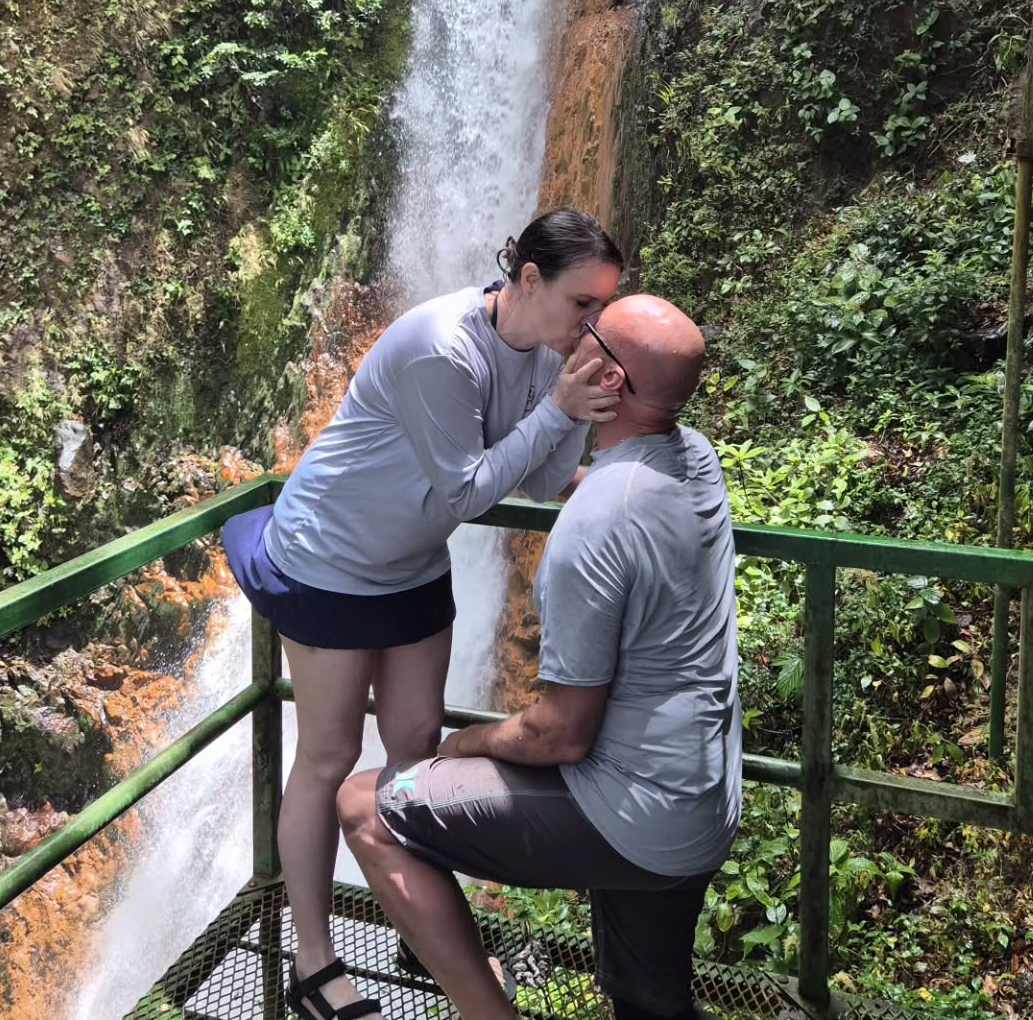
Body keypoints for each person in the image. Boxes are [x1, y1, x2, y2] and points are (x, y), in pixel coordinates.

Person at [221, 209, 624, 1020]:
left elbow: (543, 485)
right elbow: (469, 490)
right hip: (330, 559)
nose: (595, 326)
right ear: (530, 279)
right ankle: (312, 961)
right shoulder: (444, 348)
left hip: (409, 567)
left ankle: (418, 922)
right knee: (329, 755)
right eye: (585, 304)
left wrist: (572, 409)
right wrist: (558, 410)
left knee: (414, 749)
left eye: (605, 309)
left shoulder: (543, 355)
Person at [335, 294, 739, 1020]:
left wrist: (458, 746)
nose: (568, 338)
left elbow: (559, 733)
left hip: (627, 810)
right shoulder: (696, 458)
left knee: (367, 804)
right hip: (703, 800)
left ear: (608, 380)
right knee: (648, 1004)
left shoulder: (595, 527)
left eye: (586, 333)